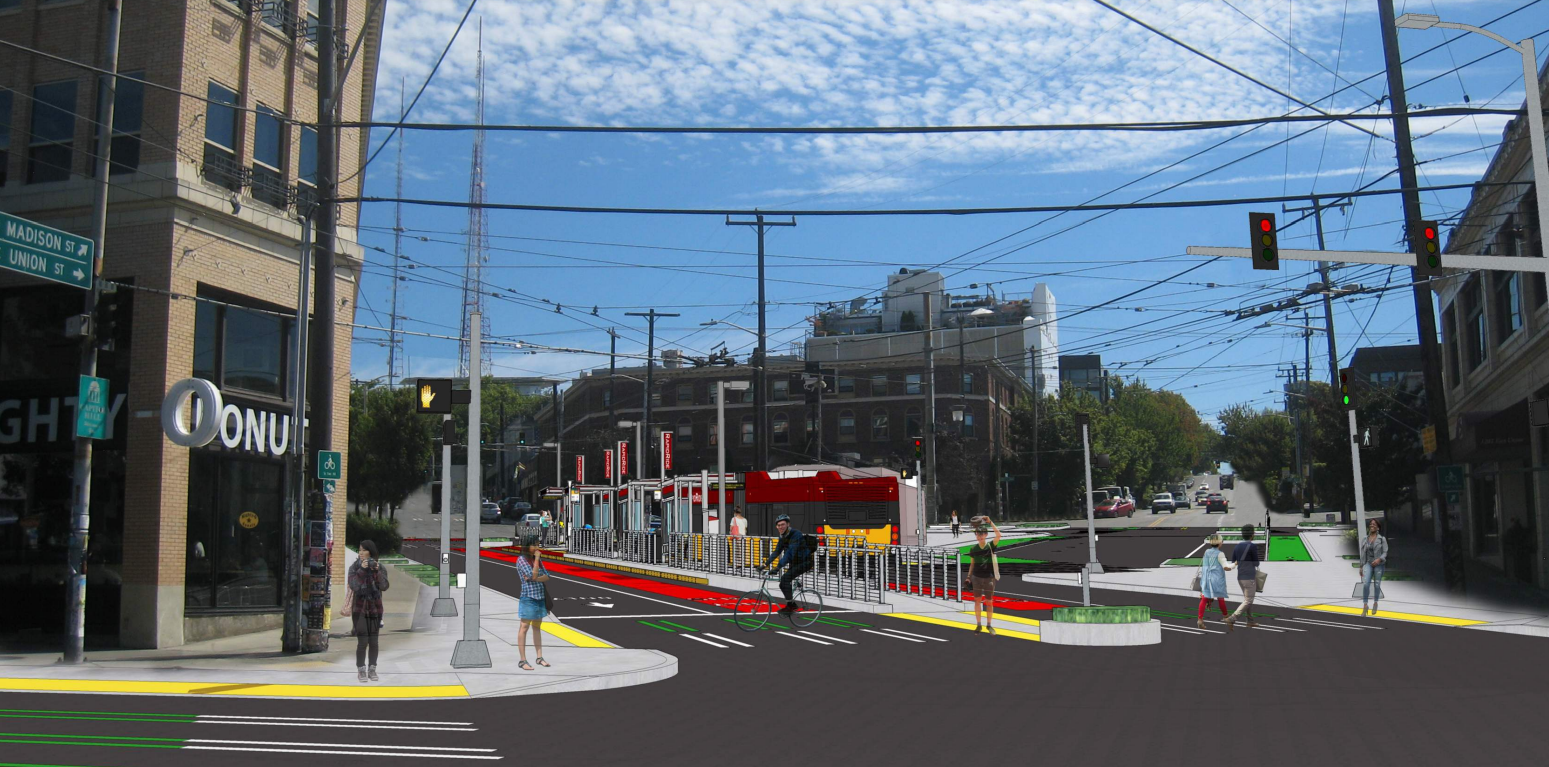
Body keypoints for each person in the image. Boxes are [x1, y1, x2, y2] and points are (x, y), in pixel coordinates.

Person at [347, 539, 390, 682]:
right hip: (359, 609)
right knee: (362, 641)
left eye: (364, 550)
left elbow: (384, 586)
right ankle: (361, 670)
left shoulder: (379, 567)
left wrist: (376, 571)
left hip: (375, 609)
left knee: (374, 641)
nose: (361, 553)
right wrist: (362, 570)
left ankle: (372, 669)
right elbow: (354, 586)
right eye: (359, 550)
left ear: (371, 552)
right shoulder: (354, 567)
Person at [761, 514, 815, 615]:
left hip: (805, 562)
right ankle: (791, 603)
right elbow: (777, 552)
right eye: (778, 525)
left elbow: (790, 553)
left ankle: (791, 606)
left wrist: (777, 567)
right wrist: (764, 565)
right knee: (783, 583)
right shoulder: (783, 537)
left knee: (785, 579)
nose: (780, 527)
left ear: (788, 524)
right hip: (795, 563)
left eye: (782, 524)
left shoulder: (796, 534)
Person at [513, 536, 553, 670]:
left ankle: (539, 657)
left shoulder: (537, 560)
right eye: (533, 545)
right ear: (526, 546)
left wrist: (534, 578)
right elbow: (534, 575)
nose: (537, 548)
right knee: (524, 628)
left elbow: (547, 576)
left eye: (537, 545)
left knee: (537, 627)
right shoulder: (522, 560)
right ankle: (522, 660)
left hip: (540, 597)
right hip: (528, 598)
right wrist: (536, 561)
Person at [967, 516, 1002, 634]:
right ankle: (978, 625)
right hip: (976, 577)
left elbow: (999, 535)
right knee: (977, 601)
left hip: (989, 578)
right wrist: (968, 577)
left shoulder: (990, 546)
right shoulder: (973, 548)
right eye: (977, 534)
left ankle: (989, 625)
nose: (979, 536)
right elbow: (972, 564)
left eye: (981, 534)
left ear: (986, 535)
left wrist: (991, 522)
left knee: (989, 601)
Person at [1223, 524, 1260, 631]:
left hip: (1240, 577)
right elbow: (1256, 563)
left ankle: (1250, 621)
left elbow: (1234, 561)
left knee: (1247, 599)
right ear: (1252, 535)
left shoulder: (1237, 546)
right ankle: (1233, 618)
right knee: (1248, 600)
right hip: (1249, 577)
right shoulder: (1252, 546)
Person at [1197, 534, 1231, 629]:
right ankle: (1225, 616)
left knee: (1204, 599)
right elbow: (1226, 567)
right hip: (1217, 580)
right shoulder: (1221, 554)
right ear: (1219, 543)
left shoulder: (1206, 552)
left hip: (1207, 578)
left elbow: (1204, 567)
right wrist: (1235, 564)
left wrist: (1203, 582)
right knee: (1220, 599)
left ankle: (1200, 620)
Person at [1360, 518, 1388, 616]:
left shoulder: (1382, 539)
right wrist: (1361, 566)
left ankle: (1375, 603)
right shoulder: (1365, 539)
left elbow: (1385, 552)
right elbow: (1363, 553)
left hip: (1378, 564)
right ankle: (1365, 605)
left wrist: (1379, 559)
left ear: (1378, 527)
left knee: (1376, 584)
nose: (1372, 526)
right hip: (1368, 563)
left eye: (1374, 524)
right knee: (1366, 584)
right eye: (1371, 524)